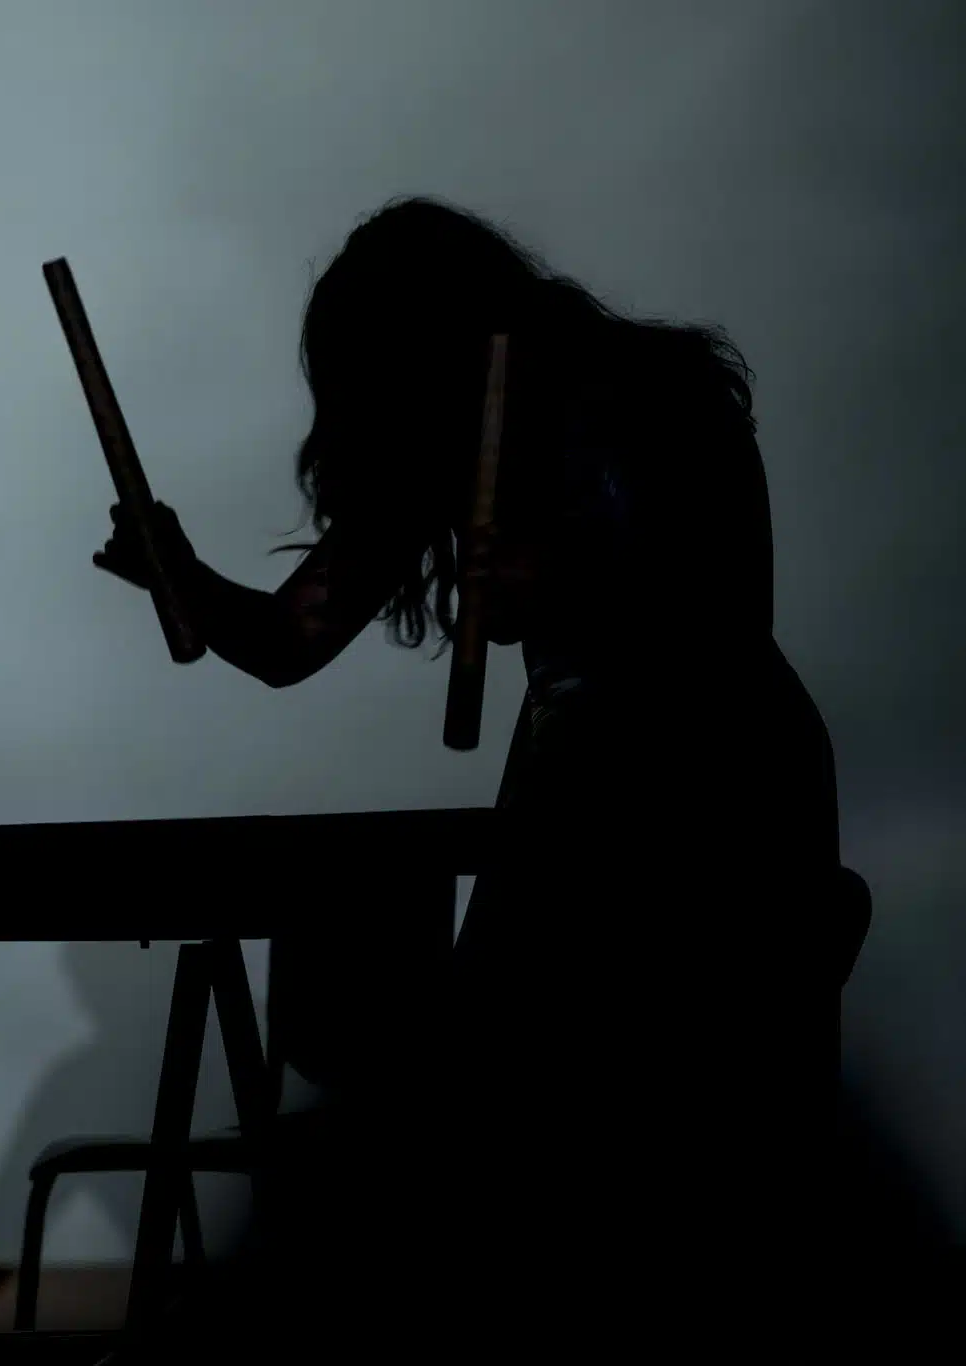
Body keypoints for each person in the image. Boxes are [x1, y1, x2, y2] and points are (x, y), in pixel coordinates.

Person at [92, 198, 850, 1326]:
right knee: (538, 1106)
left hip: (717, 770)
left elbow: (731, 607)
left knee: (700, 1110)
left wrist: (573, 577)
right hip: (572, 773)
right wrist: (183, 577)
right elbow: (296, 638)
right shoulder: (444, 430)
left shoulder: (655, 394)